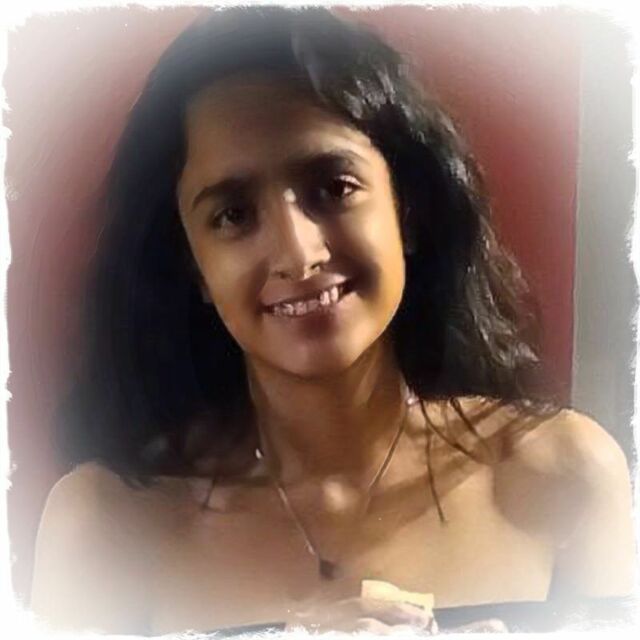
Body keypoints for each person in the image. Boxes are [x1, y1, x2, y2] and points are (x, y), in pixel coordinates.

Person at [29, 6, 636, 636]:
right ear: (193, 264)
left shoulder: (566, 477)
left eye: (334, 188)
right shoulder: (103, 529)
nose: (298, 254)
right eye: (234, 215)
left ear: (407, 209)